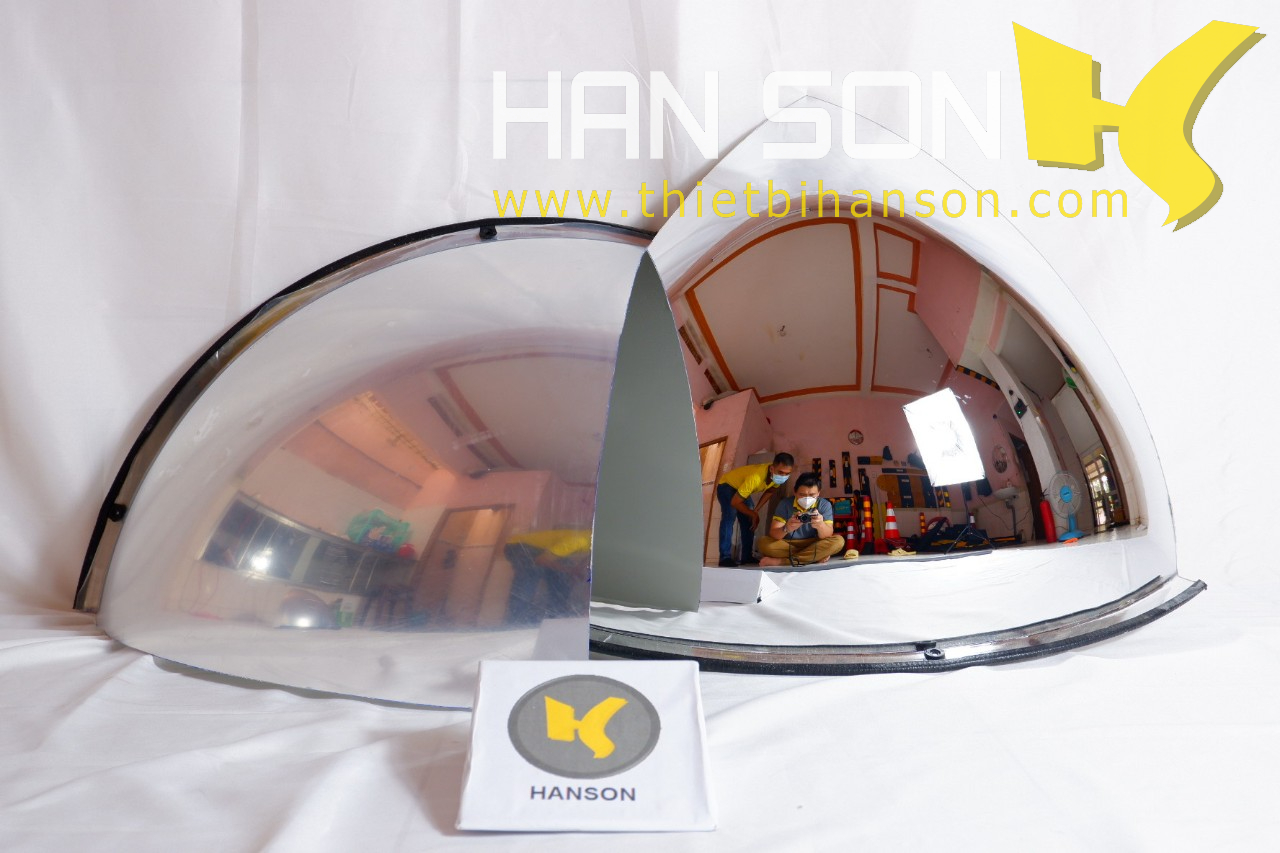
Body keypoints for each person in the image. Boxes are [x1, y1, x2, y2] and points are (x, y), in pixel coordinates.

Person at [715, 452, 794, 567]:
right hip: (727, 485)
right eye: (781, 472)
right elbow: (735, 502)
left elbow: (770, 491)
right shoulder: (756, 477)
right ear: (772, 469)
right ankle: (724, 557)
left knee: (749, 520)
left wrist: (755, 511)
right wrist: (753, 514)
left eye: (787, 474)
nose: (783, 476)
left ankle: (746, 556)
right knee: (729, 516)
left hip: (740, 487)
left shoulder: (775, 478)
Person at [758, 471, 847, 567]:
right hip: (789, 544)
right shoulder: (785, 504)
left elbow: (828, 535)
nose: (807, 499)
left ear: (818, 493)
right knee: (763, 543)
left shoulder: (824, 505)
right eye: (802, 495)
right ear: (795, 492)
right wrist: (787, 528)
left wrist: (820, 525)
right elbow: (773, 534)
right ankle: (813, 557)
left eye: (812, 495)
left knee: (838, 541)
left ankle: (782, 562)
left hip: (814, 543)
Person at [503, 529, 591, 625]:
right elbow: (542, 560)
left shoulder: (593, 541)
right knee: (532, 573)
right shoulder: (579, 541)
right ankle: (516, 620)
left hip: (541, 550)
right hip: (518, 545)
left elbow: (589, 559)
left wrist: (577, 570)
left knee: (562, 576)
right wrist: (570, 571)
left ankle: (555, 616)